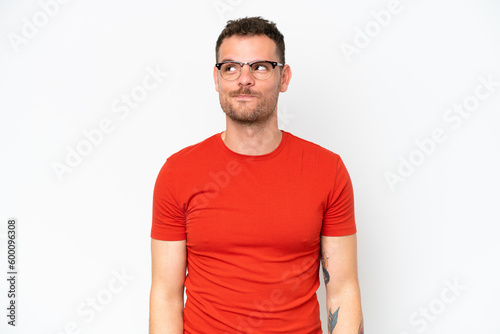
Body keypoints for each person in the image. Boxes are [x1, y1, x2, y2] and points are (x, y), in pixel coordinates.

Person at [149, 16, 363, 334]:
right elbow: (166, 294)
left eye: (260, 67)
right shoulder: (178, 172)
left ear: (284, 77)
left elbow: (342, 288)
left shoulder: (327, 169)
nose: (243, 79)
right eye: (231, 67)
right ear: (217, 77)